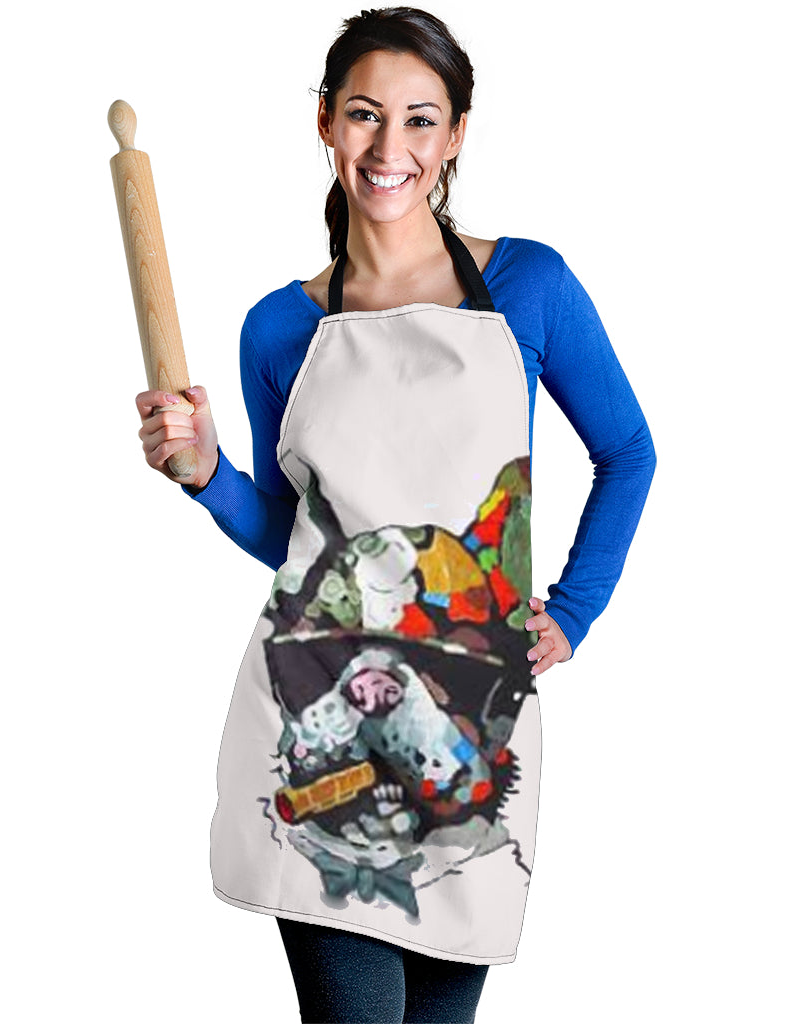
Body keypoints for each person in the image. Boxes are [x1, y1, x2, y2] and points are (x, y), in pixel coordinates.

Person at [134, 7, 655, 1022]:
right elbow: (294, 536)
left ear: (454, 136)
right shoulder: (279, 328)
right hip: (321, 716)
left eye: (420, 120)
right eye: (365, 114)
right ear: (326, 122)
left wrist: (572, 613)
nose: (389, 147)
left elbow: (628, 452)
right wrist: (207, 474)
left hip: (465, 723)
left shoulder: (530, 286)